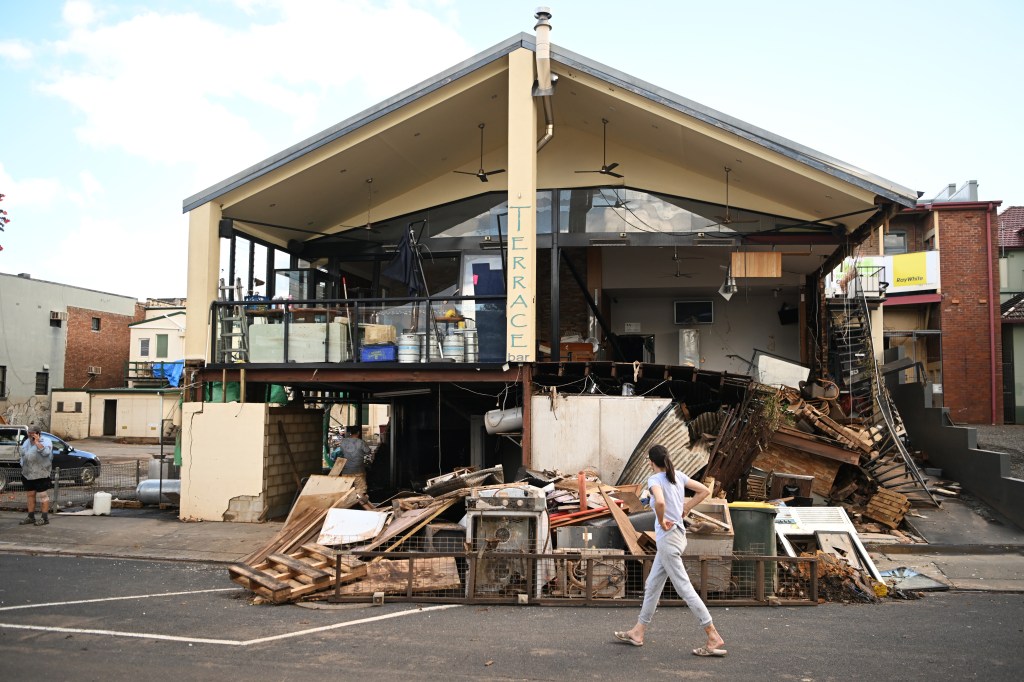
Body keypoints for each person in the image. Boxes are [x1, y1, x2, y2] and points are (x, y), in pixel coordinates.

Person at [614, 444, 727, 656]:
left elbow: (660, 503)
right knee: (653, 584)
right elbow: (704, 491)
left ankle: (713, 635)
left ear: (650, 461)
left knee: (684, 588)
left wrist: (661, 520)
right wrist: (687, 507)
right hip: (678, 536)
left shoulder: (654, 480)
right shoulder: (679, 476)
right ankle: (638, 632)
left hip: (667, 539)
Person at [19, 427, 54, 526]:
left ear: (38, 433)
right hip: (28, 473)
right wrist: (22, 464)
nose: (30, 435)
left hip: (41, 473)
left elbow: (46, 452)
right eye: (29, 433)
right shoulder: (27, 442)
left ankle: (44, 518)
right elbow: (23, 454)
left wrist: (37, 442)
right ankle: (31, 517)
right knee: (30, 495)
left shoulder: (46, 441)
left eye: (32, 433)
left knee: (43, 496)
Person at [338, 425, 371, 496]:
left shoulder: (344, 442)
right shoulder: (361, 442)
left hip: (346, 470)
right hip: (358, 470)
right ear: (358, 432)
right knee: (360, 490)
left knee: (346, 491)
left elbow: (341, 452)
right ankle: (359, 505)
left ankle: (347, 505)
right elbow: (368, 451)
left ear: (350, 433)